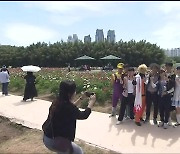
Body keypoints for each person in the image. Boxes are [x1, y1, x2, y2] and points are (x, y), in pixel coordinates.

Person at [42, 80, 96, 154]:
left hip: (47, 138)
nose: (75, 92)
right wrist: (91, 103)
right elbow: (83, 115)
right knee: (78, 152)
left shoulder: (57, 101)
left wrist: (81, 98)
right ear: (69, 94)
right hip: (57, 142)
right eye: (74, 91)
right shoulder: (68, 107)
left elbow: (71, 108)